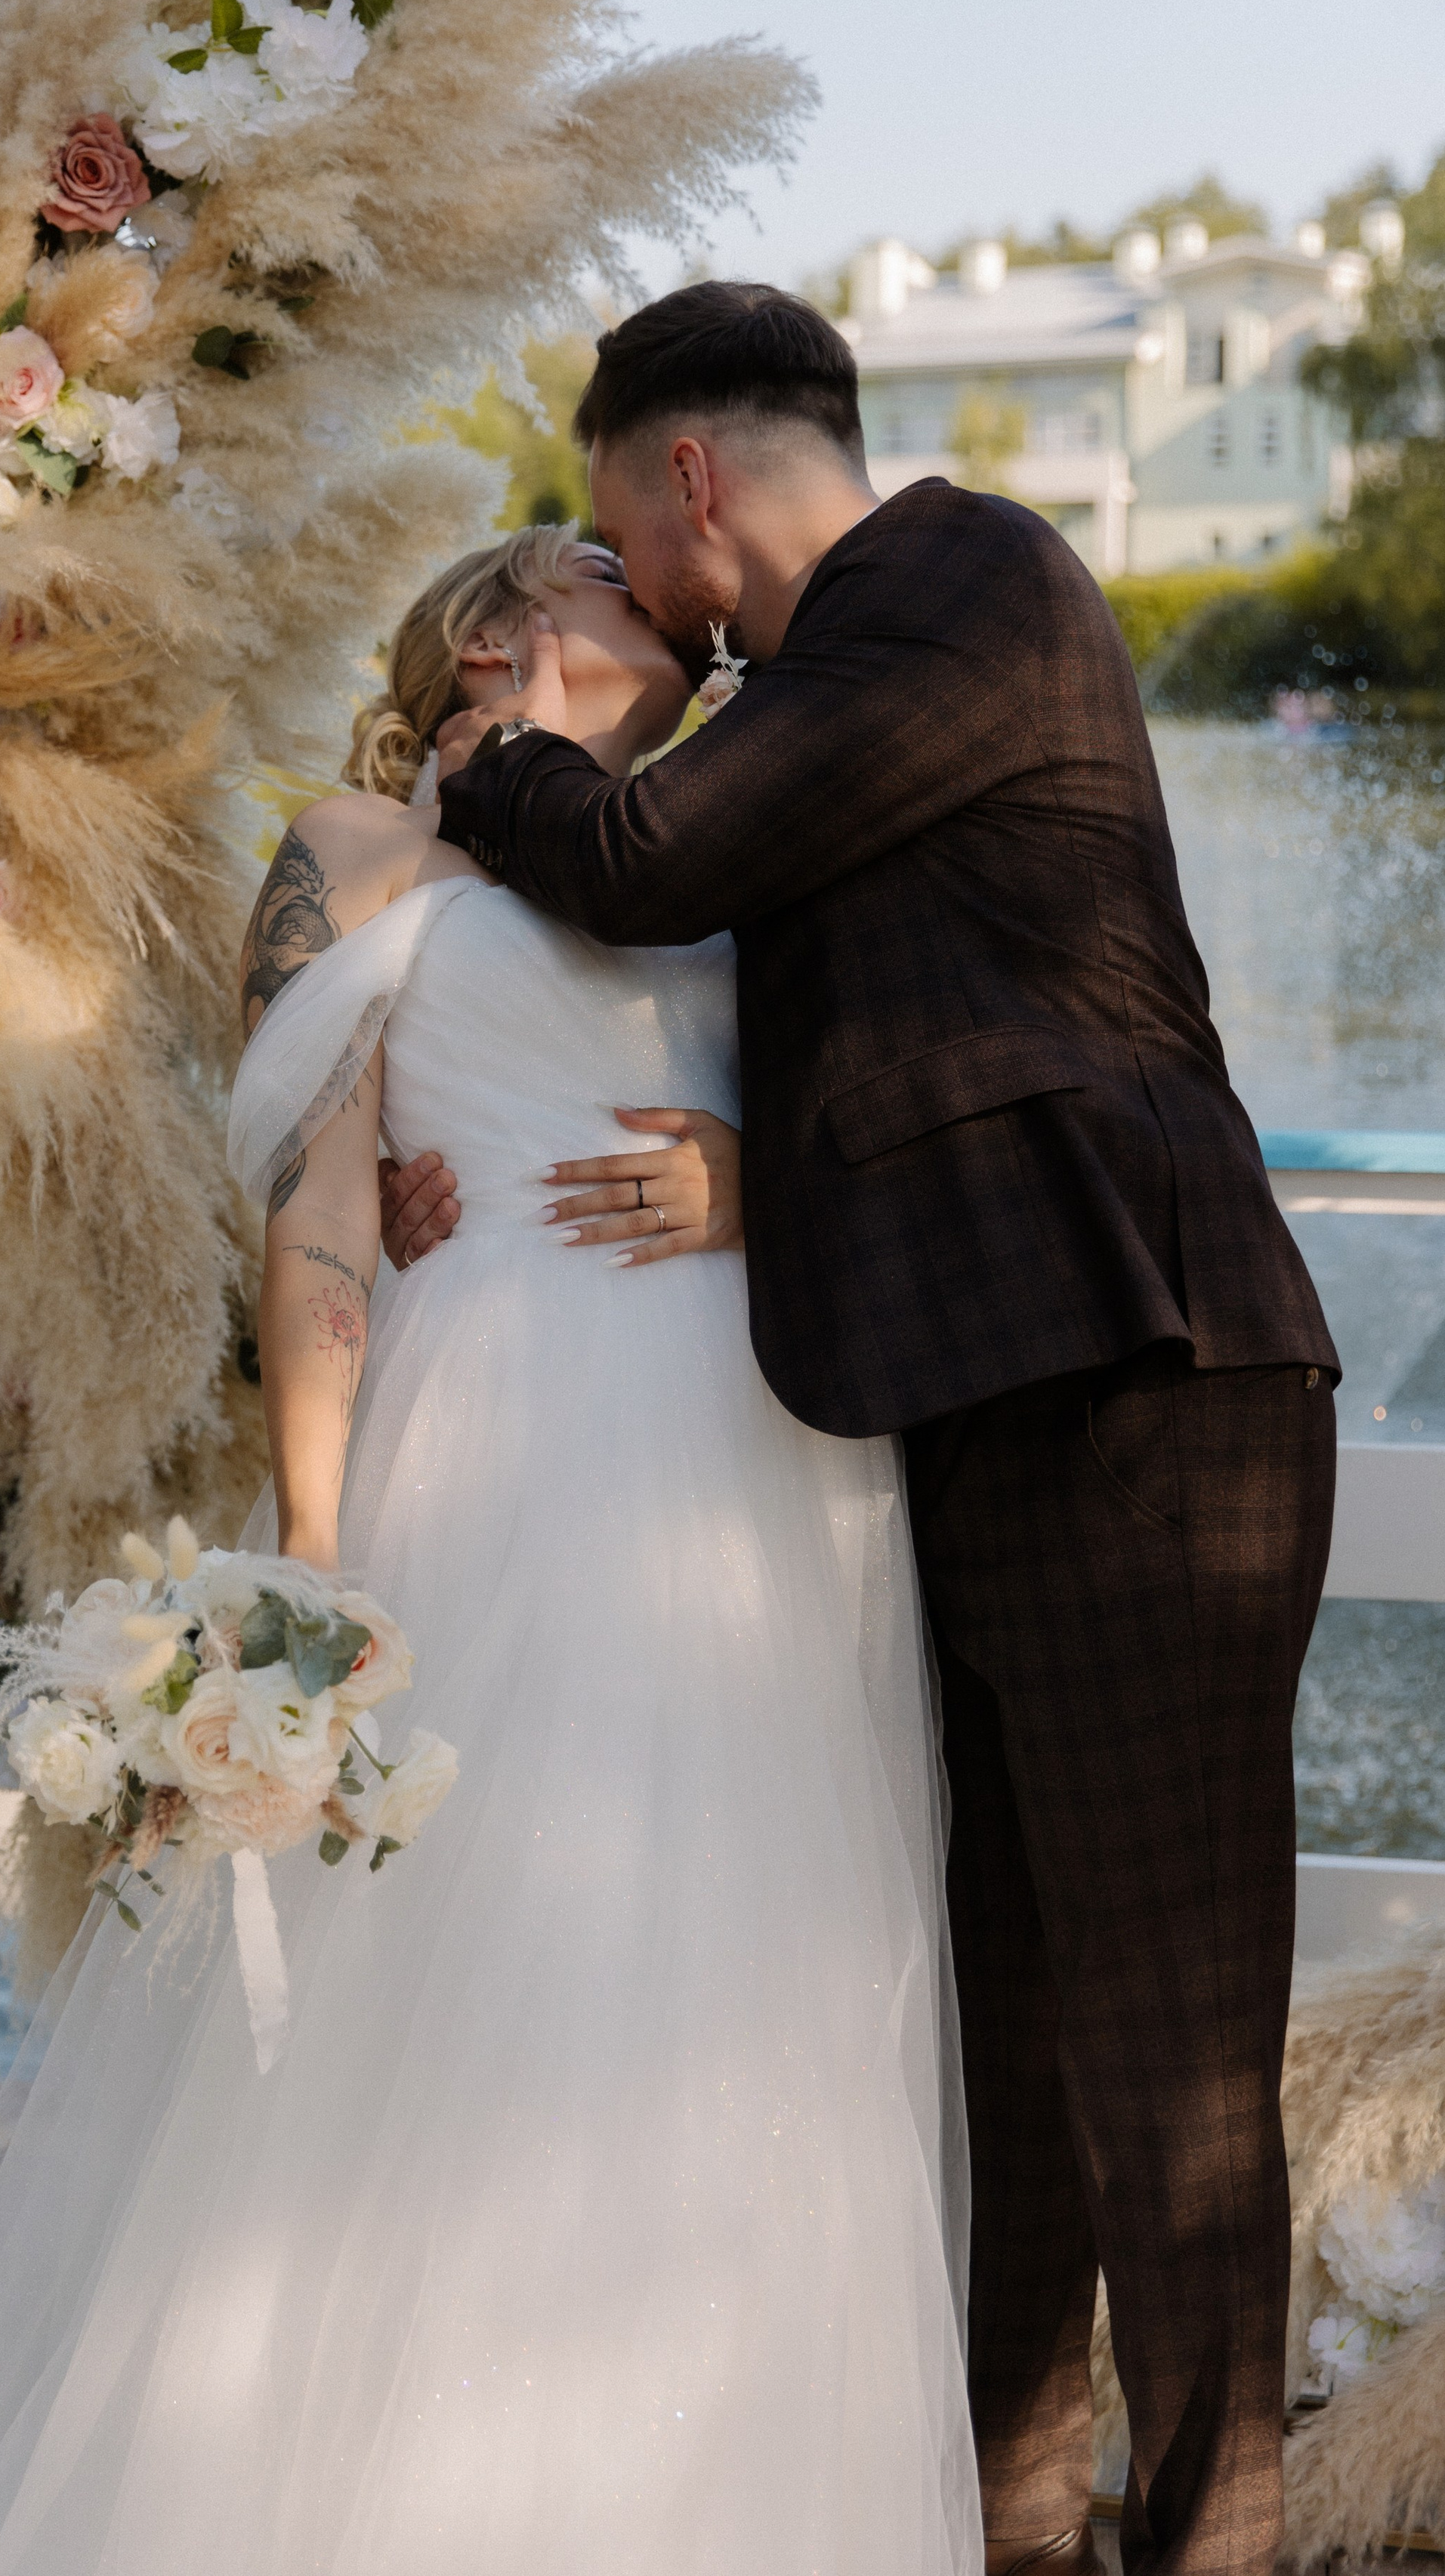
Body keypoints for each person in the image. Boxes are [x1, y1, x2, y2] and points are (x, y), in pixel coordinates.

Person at [0, 524, 977, 2576]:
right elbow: (319, 1213)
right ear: (497, 633)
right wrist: (315, 1544)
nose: (661, 596)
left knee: (735, 1952)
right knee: (459, 1942)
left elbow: (878, 1095)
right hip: (491, 1441)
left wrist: (767, 1187)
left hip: (747, 1474)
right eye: (602, 569)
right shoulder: (356, 851)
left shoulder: (733, 839)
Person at [408, 283, 1338, 2576]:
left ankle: (1208, 2544)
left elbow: (642, 862)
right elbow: (887, 1025)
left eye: (627, 537)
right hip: (973, 1409)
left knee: (1172, 2079)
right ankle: (1003, 2530)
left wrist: (487, 748)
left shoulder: (963, 579)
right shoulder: (832, 682)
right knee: (1000, 2053)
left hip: (1147, 1401)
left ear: (689, 476)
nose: (646, 597)